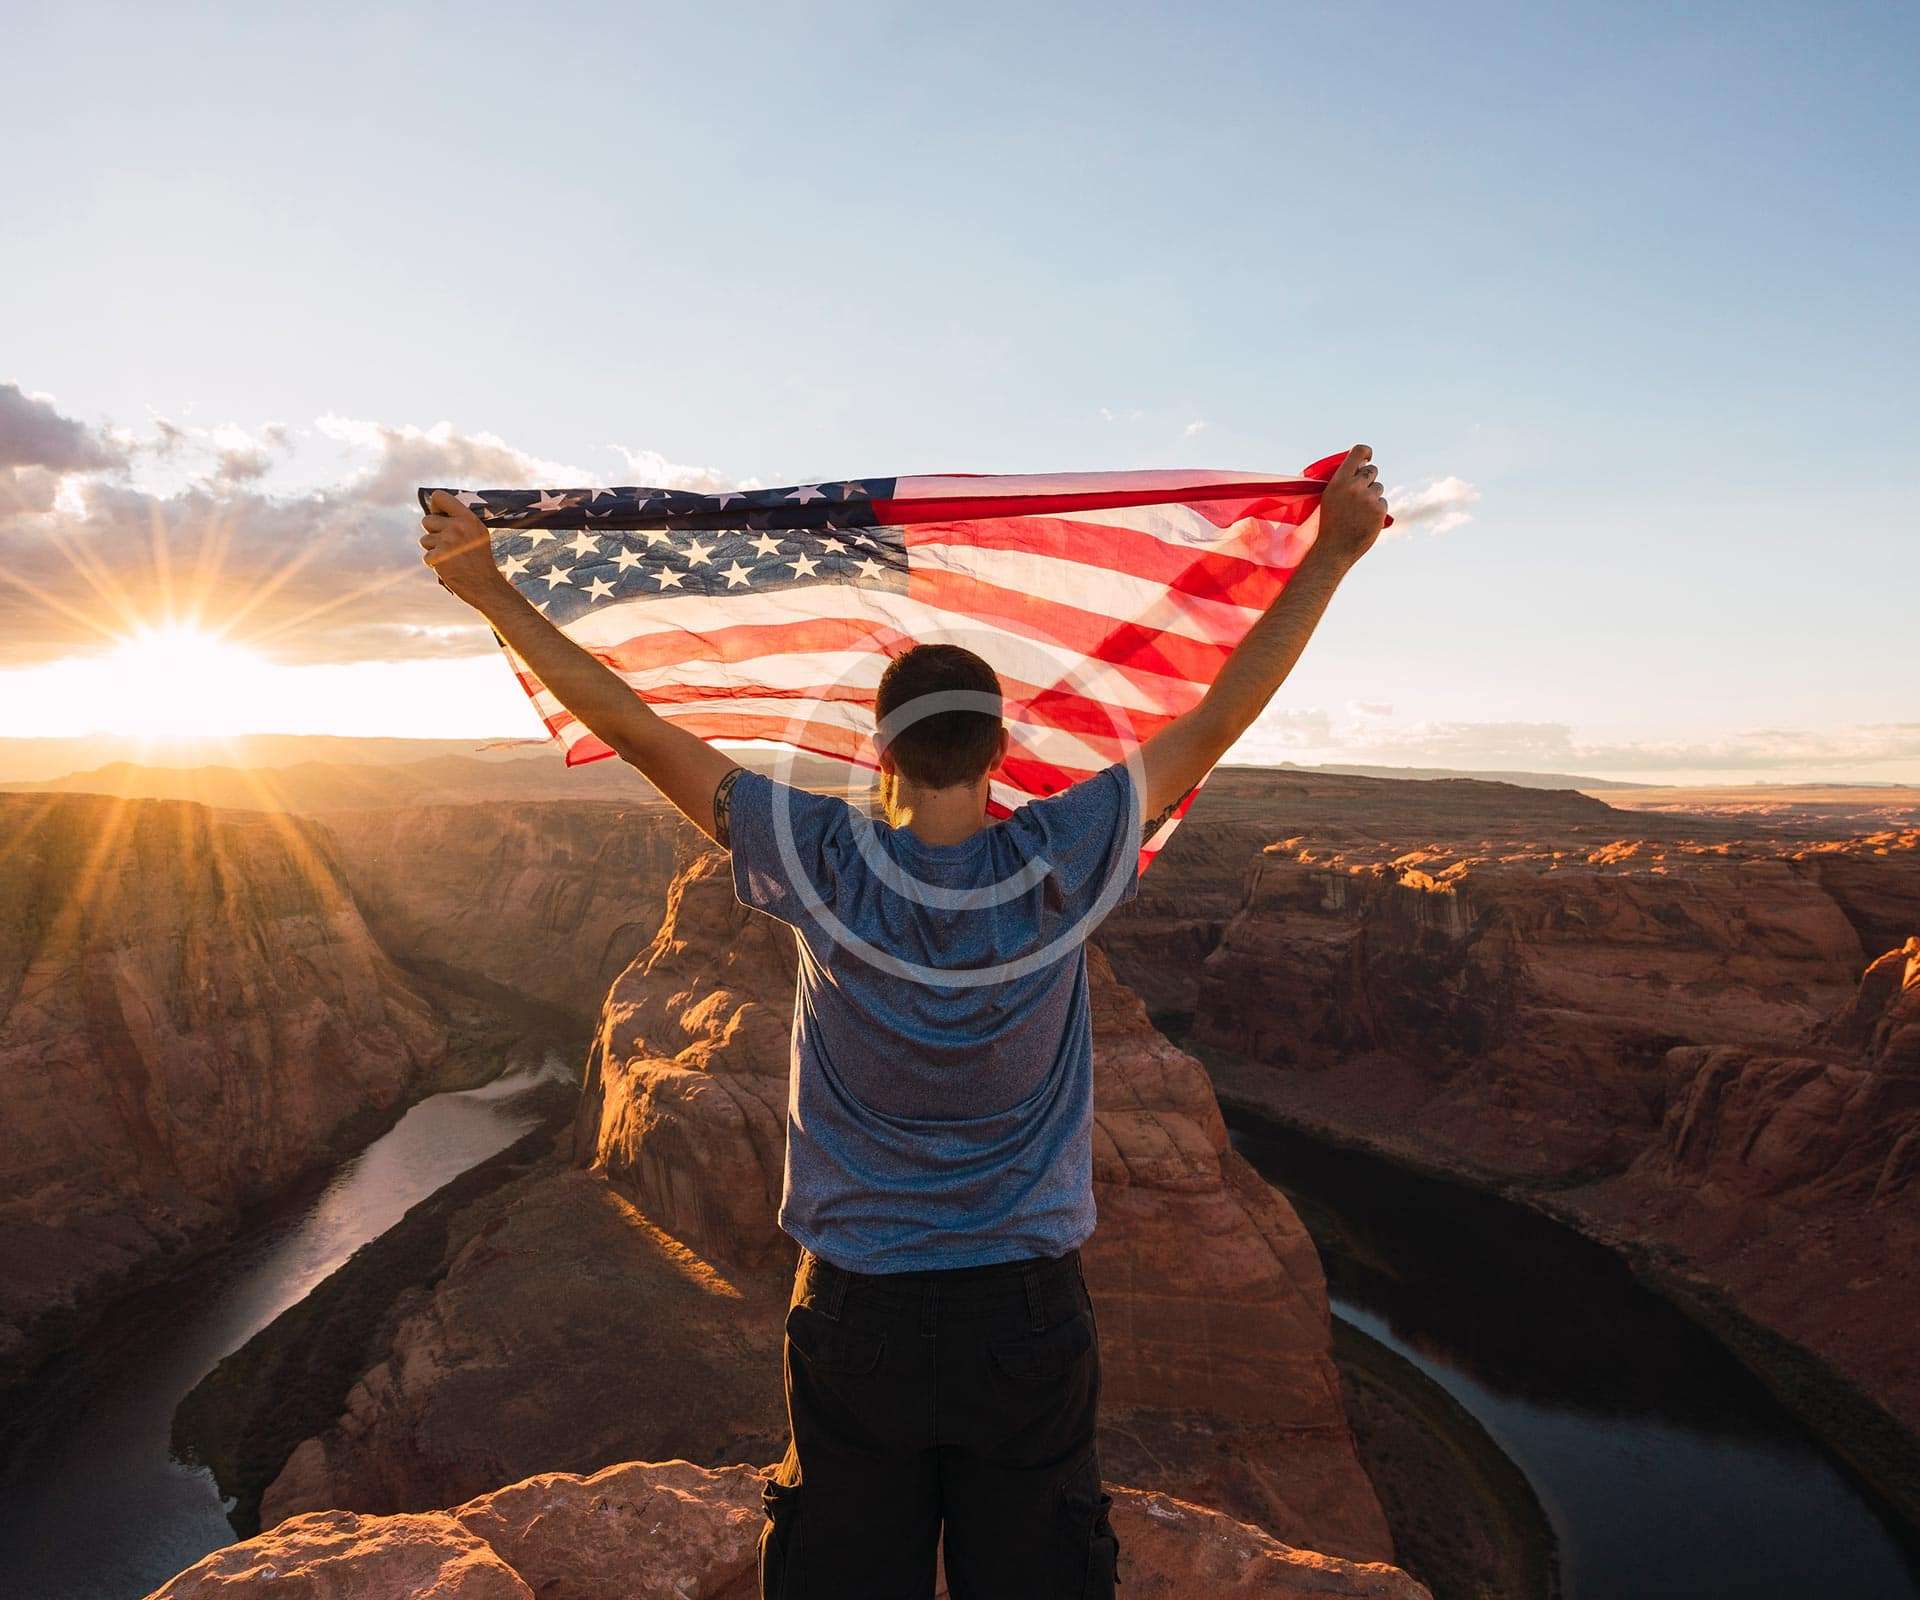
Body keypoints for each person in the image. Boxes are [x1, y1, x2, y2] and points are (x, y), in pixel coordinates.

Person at [419, 445, 1388, 1599]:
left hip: (858, 1310)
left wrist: (491, 592)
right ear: (999, 752)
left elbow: (635, 727)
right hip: (1024, 1316)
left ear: (879, 749)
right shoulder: (1063, 856)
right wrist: (1328, 555)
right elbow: (1225, 709)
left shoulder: (820, 858)